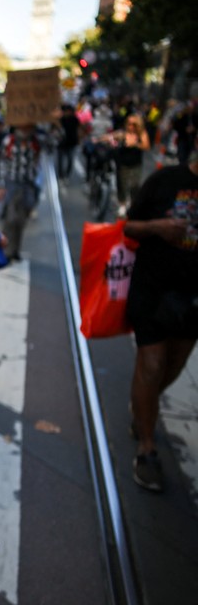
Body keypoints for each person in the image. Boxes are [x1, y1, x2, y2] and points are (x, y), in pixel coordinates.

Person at [124, 141, 198, 492]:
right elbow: (129, 227)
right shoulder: (165, 180)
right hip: (153, 291)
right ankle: (147, 447)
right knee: (151, 365)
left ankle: (141, 406)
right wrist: (159, 227)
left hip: (193, 300)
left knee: (172, 367)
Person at [0, 124, 41, 262]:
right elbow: (2, 163)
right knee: (10, 219)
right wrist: (1, 185)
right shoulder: (8, 142)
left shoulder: (35, 142)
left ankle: (15, 249)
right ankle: (6, 251)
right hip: (12, 184)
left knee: (21, 220)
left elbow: (55, 141)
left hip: (28, 185)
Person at [113, 113, 150, 217]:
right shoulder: (122, 133)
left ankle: (133, 206)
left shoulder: (142, 134)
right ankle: (122, 204)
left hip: (135, 164)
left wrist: (135, 144)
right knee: (122, 184)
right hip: (122, 163)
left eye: (133, 124)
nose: (130, 126)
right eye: (129, 124)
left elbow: (146, 146)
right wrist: (115, 140)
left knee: (134, 186)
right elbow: (113, 139)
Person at [56, 104, 81, 182]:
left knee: (70, 160)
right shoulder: (60, 120)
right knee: (60, 160)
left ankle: (67, 175)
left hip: (71, 142)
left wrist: (79, 139)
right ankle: (61, 175)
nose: (67, 113)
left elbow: (79, 129)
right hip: (61, 143)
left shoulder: (75, 119)